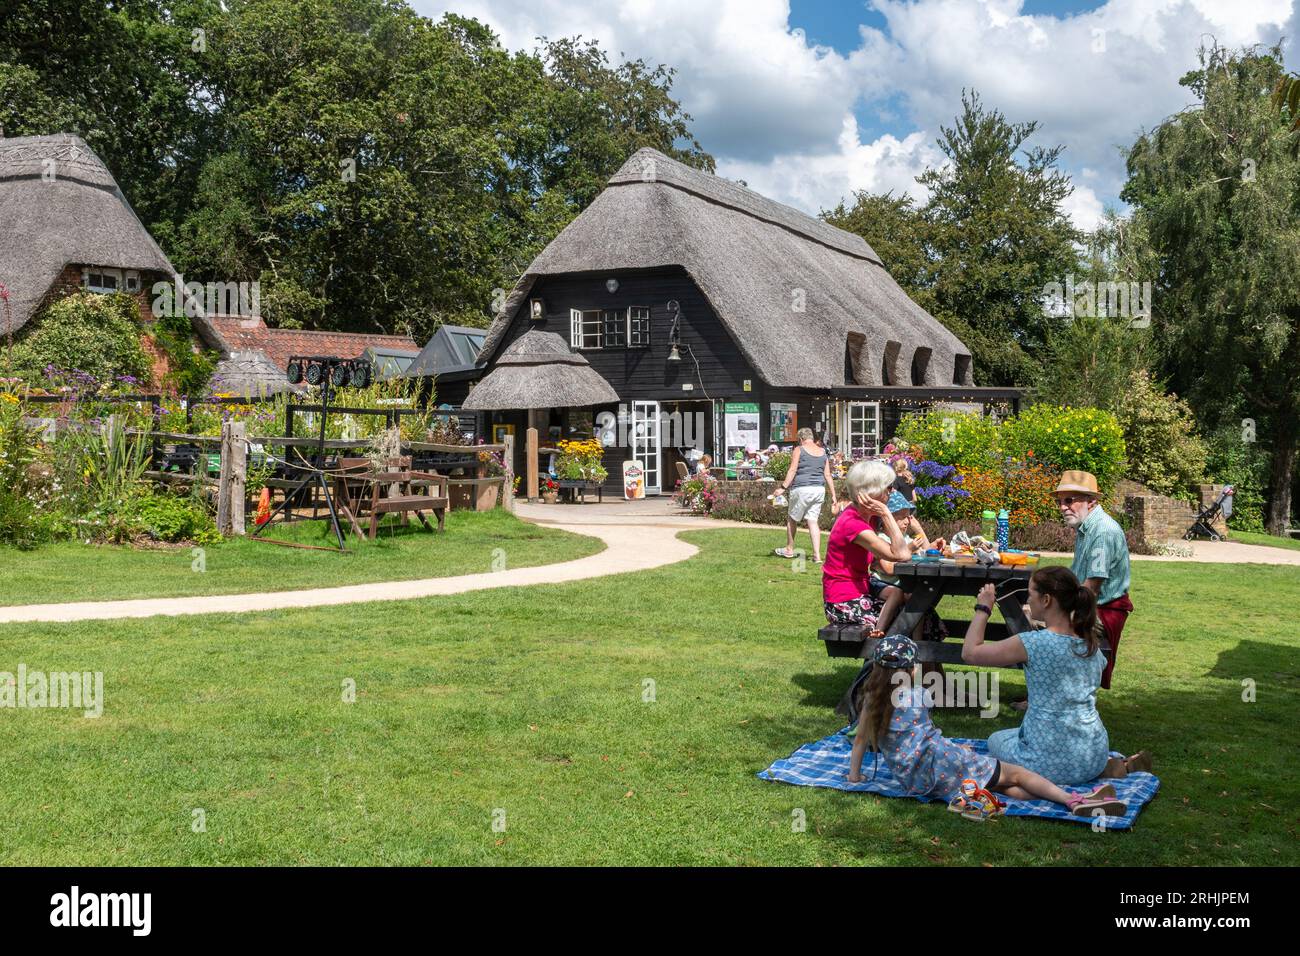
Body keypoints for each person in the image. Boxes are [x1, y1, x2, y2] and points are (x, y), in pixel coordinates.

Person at [846, 636, 1127, 817]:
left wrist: (854, 776)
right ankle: (1074, 800)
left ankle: (1070, 800)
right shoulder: (919, 694)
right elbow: (925, 735)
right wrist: (956, 751)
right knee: (1016, 773)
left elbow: (861, 742)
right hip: (940, 764)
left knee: (1003, 784)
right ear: (911, 669)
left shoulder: (872, 703)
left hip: (915, 780)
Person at [962, 566, 1151, 784]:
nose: (1027, 600)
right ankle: (1107, 768)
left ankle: (1053, 775)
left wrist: (983, 608)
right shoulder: (1091, 645)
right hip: (1093, 753)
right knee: (1021, 734)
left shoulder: (1032, 643)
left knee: (996, 740)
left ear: (1046, 600)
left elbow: (970, 653)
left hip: (1046, 760)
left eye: (1030, 594)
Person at [1057, 470, 1132, 690]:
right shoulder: (1086, 527)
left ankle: (1048, 699)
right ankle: (1047, 697)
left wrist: (1057, 611)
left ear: (1091, 501)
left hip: (1101, 611)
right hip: (1092, 606)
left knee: (1044, 632)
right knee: (1031, 616)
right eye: (1060, 501)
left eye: (1069, 500)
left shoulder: (1102, 532)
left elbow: (1091, 588)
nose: (1063, 507)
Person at [821, 460, 911, 627]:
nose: (892, 492)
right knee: (908, 620)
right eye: (889, 488)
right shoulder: (852, 524)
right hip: (843, 600)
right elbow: (902, 554)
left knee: (918, 611)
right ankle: (883, 649)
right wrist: (885, 512)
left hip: (863, 589)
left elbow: (902, 544)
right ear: (873, 492)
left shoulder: (868, 516)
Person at [773, 428, 840, 564]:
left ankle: (789, 549)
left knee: (792, 518)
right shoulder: (822, 452)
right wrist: (833, 495)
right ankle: (817, 556)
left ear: (800, 439)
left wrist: (782, 488)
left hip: (802, 489)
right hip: (819, 490)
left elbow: (793, 469)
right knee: (813, 521)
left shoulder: (799, 449)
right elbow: (827, 475)